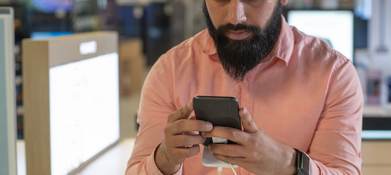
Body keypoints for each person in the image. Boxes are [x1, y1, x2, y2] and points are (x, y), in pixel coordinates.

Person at [126, 0, 363, 174]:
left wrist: (286, 163)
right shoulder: (169, 72)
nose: (235, 16)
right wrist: (165, 159)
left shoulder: (333, 75)